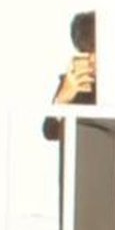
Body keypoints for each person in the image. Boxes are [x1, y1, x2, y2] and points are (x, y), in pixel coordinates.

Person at [43, 11, 96, 141]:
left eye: (96, 50)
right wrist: (62, 100)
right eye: (88, 52)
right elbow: (50, 132)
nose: (93, 59)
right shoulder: (74, 82)